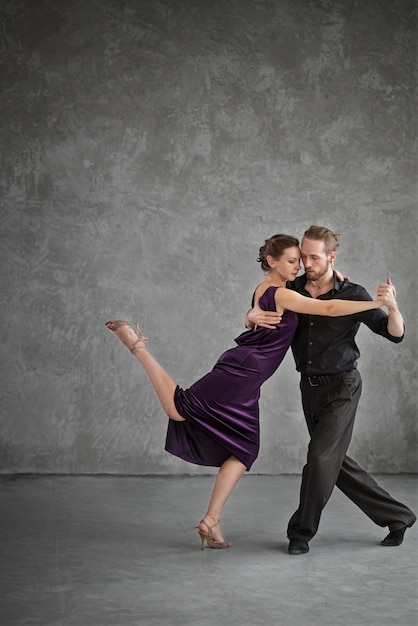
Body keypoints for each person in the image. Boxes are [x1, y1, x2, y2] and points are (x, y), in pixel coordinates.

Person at [106, 233, 390, 551]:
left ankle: (211, 520)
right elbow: (328, 309)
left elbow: (316, 297)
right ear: (272, 261)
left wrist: (254, 313)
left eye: (303, 260)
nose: (300, 266)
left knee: (244, 451)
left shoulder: (267, 289)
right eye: (293, 260)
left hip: (250, 376)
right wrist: (377, 303)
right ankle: (138, 347)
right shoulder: (281, 293)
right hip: (244, 370)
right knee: (179, 408)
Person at [247, 226, 416, 555]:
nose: (306, 263)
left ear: (331, 257)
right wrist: (248, 315)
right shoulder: (291, 286)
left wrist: (393, 308)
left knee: (320, 457)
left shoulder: (352, 293)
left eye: (313, 257)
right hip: (309, 387)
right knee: (332, 462)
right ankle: (399, 516)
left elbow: (393, 333)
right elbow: (260, 308)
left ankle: (300, 534)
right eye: (303, 256)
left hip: (342, 386)